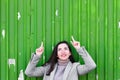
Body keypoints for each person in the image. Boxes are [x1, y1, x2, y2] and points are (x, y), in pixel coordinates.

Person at [25, 36, 96, 80]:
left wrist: (79, 49)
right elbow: (29, 72)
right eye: (59, 49)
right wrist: (37, 56)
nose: (63, 52)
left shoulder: (75, 68)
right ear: (57, 55)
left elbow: (91, 66)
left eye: (65, 49)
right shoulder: (48, 67)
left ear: (70, 53)